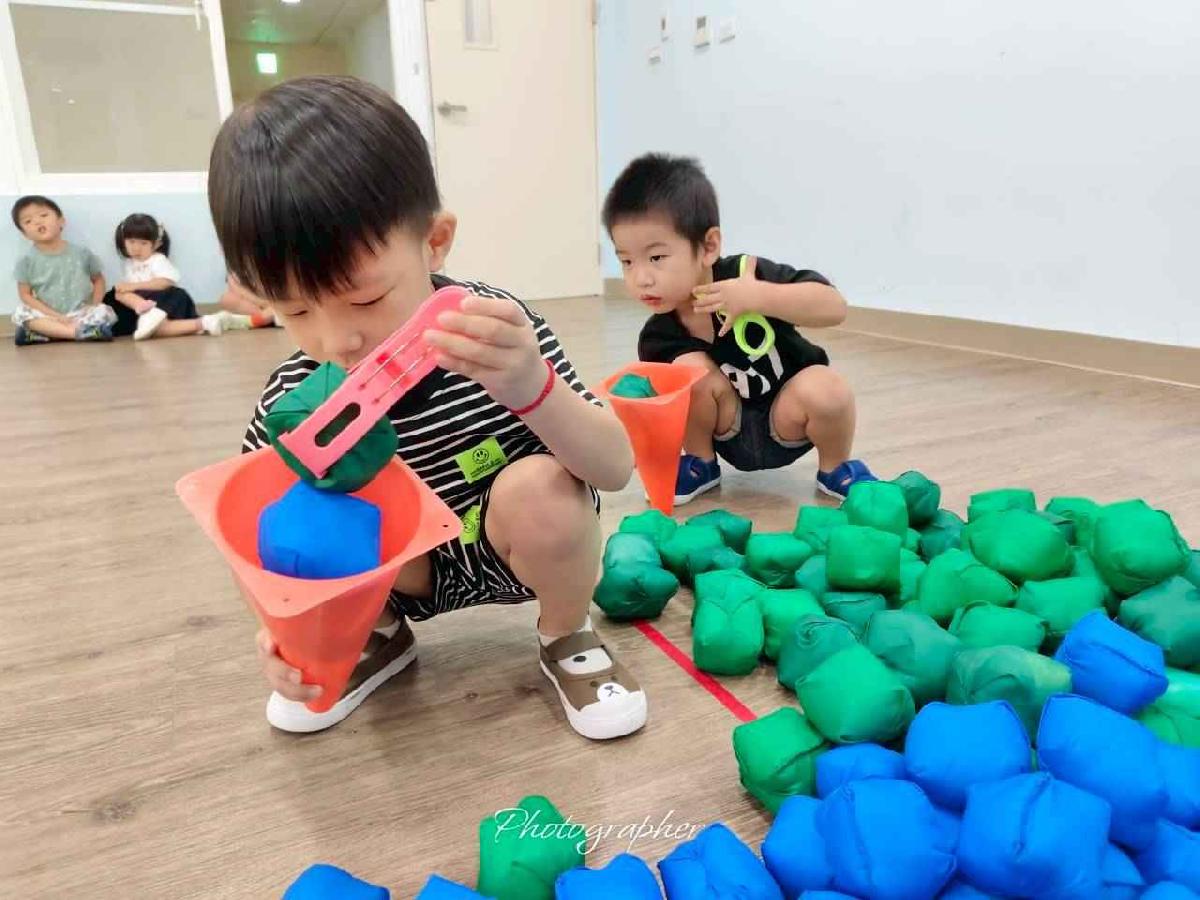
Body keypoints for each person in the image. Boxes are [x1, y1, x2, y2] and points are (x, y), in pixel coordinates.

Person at [209, 76, 644, 739]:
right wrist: (285, 634)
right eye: (294, 310)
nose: (337, 340)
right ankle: (379, 637)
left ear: (434, 242)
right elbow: (254, 544)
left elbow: (614, 468)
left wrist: (532, 387)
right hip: (394, 574)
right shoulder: (294, 396)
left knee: (544, 489)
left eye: (364, 298)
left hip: (506, 540)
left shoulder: (497, 332)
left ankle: (566, 634)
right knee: (293, 514)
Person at [603, 153, 877, 503]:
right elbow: (664, 411)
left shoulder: (747, 275)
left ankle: (836, 468)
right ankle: (701, 464)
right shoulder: (658, 336)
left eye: (656, 257)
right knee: (687, 374)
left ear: (708, 247)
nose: (641, 278)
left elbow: (834, 307)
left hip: (788, 418)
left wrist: (759, 296)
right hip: (727, 429)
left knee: (829, 388)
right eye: (626, 261)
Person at [105, 213, 242, 339]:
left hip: (163, 298)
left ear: (156, 244)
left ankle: (147, 309)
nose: (136, 248)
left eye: (143, 243)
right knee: (122, 297)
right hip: (144, 304)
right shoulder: (129, 263)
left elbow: (165, 282)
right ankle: (203, 323)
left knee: (126, 296)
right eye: (131, 242)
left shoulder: (157, 260)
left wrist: (134, 286)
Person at [10, 195, 116, 345]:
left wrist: (93, 305)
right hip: (48, 315)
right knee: (21, 312)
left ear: (61, 221)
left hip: (81, 312)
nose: (38, 222)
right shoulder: (26, 261)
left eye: (43, 215)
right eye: (28, 221)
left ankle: (46, 334)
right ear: (25, 234)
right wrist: (55, 316)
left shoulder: (81, 253)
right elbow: (25, 295)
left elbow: (98, 279)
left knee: (105, 312)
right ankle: (76, 333)